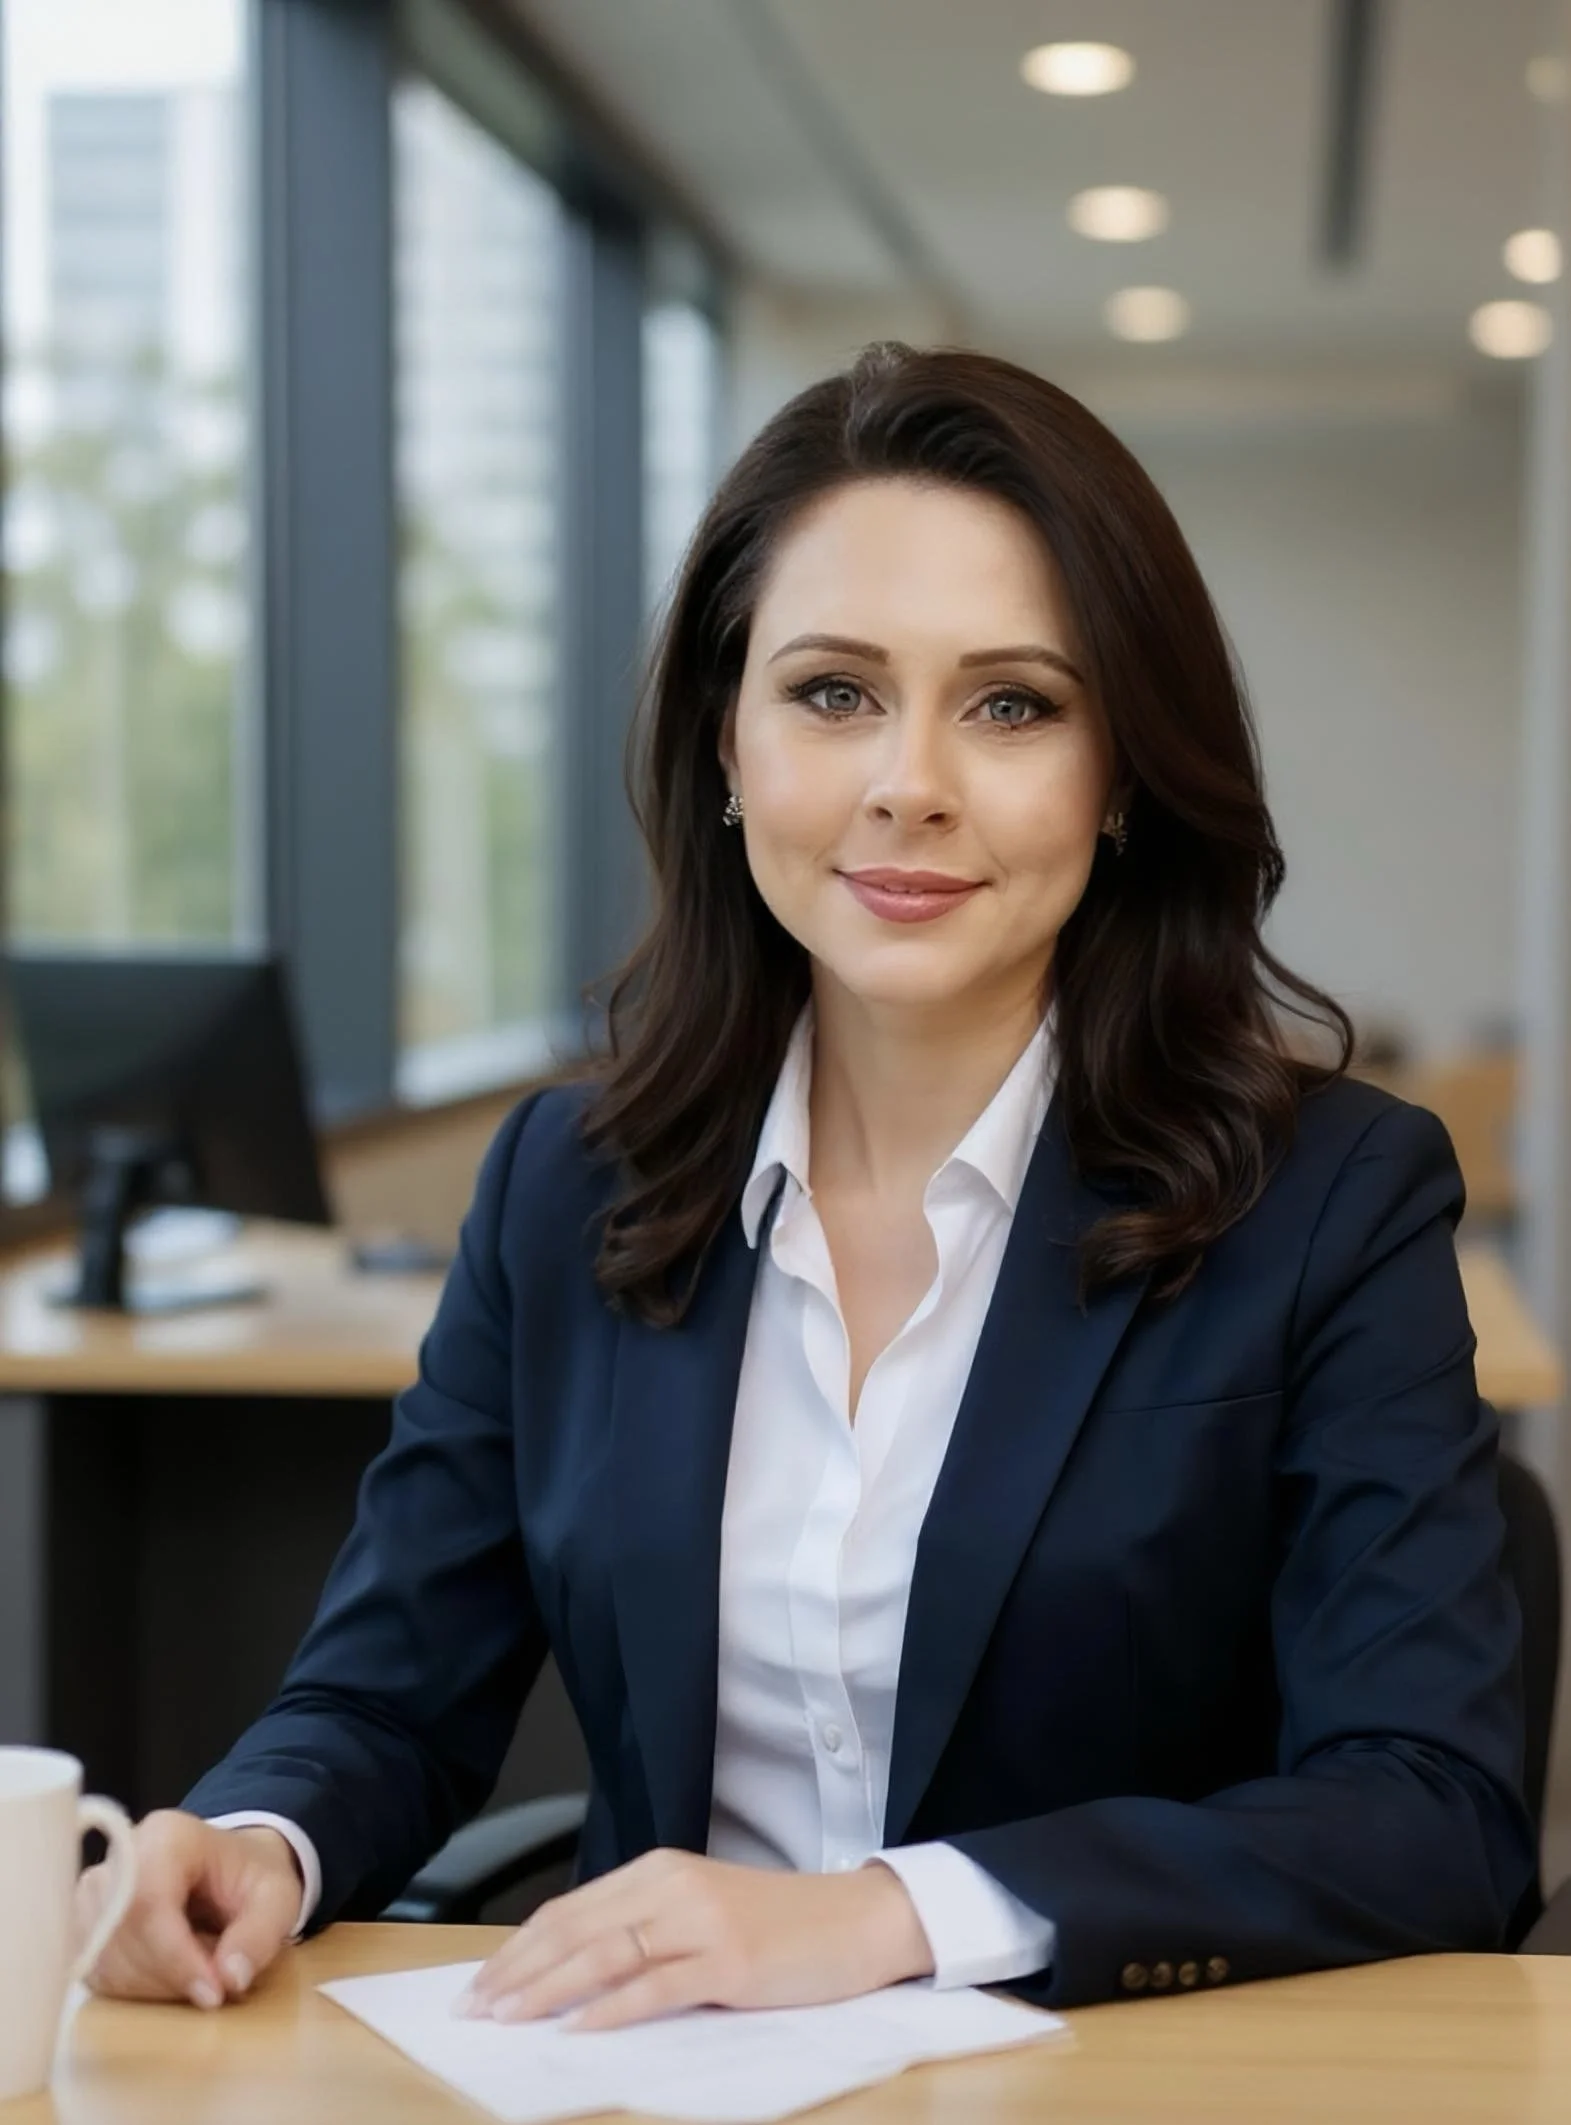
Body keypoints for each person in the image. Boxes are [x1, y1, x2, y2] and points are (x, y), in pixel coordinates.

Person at [80, 343, 1533, 2024]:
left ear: (1120, 774)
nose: (907, 782)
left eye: (1012, 704)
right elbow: (387, 1694)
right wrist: (264, 1834)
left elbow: (1430, 1811)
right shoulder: (566, 1188)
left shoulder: (1329, 1204)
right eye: (833, 692)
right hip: (657, 2078)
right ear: (725, 745)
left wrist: (888, 1918)